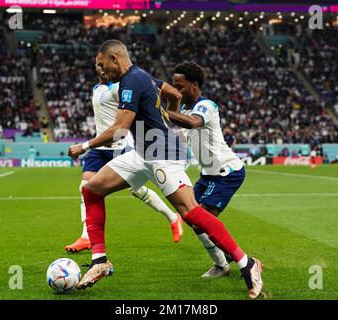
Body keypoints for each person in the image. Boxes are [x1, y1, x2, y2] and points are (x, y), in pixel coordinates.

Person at [68, 40, 263, 299]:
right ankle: (99, 261)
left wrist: (84, 145)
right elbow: (175, 95)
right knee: (92, 190)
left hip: (162, 154)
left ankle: (246, 263)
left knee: (191, 213)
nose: (102, 72)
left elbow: (120, 130)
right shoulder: (142, 77)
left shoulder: (132, 81)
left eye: (103, 66)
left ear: (115, 58)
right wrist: (163, 118)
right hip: (142, 152)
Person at [64, 65, 183, 253]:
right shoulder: (97, 89)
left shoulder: (119, 87)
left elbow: (154, 88)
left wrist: (167, 102)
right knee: (85, 188)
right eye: (97, 65)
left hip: (121, 146)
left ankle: (172, 217)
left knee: (136, 190)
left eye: (103, 65)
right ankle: (86, 236)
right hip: (99, 149)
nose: (100, 68)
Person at [166, 62, 247, 278]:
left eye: (179, 86)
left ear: (194, 85)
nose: (176, 90)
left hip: (226, 173)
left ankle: (238, 262)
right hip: (208, 174)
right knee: (192, 219)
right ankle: (227, 259)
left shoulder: (206, 106)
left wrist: (162, 111)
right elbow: (175, 130)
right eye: (173, 86)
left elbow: (192, 123)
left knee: (205, 221)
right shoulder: (184, 110)